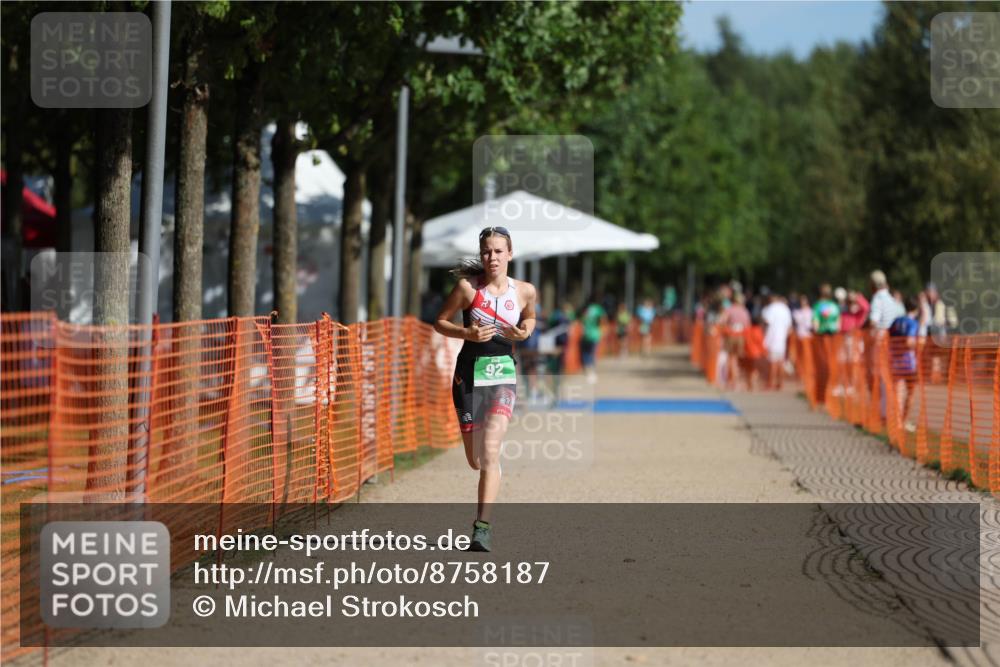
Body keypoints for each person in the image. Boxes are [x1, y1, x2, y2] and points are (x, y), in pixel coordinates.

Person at [434, 226, 537, 552]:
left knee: (491, 450)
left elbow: (530, 318)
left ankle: (482, 529)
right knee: (476, 460)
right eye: (486, 251)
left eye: (498, 251)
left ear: (510, 253)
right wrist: (467, 334)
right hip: (468, 376)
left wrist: (524, 331)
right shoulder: (467, 289)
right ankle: (490, 469)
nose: (492, 257)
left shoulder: (524, 291)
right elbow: (440, 321)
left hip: (502, 375)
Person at [888, 295, 920, 433]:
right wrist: (917, 344)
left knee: (897, 392)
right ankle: (904, 421)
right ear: (916, 309)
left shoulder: (895, 321)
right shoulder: (913, 323)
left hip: (895, 360)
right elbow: (909, 341)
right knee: (910, 392)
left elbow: (888, 338)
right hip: (908, 362)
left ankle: (897, 421)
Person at [719, 292, 751, 391]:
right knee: (736, 359)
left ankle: (730, 381)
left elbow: (722, 320)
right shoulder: (744, 311)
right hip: (741, 336)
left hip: (731, 335)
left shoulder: (730, 309)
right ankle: (735, 381)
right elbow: (747, 325)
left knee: (730, 358)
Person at [761, 293, 793, 390]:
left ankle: (770, 382)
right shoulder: (785, 309)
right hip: (782, 339)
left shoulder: (771, 308)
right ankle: (780, 383)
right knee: (780, 362)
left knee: (772, 362)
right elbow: (789, 326)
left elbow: (767, 321)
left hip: (772, 338)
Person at [580, 297, 607, 384]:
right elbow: (603, 319)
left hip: (586, 334)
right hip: (595, 334)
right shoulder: (598, 309)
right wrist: (603, 329)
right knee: (592, 353)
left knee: (585, 353)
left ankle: (588, 371)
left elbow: (582, 320)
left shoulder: (586, 309)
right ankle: (592, 372)